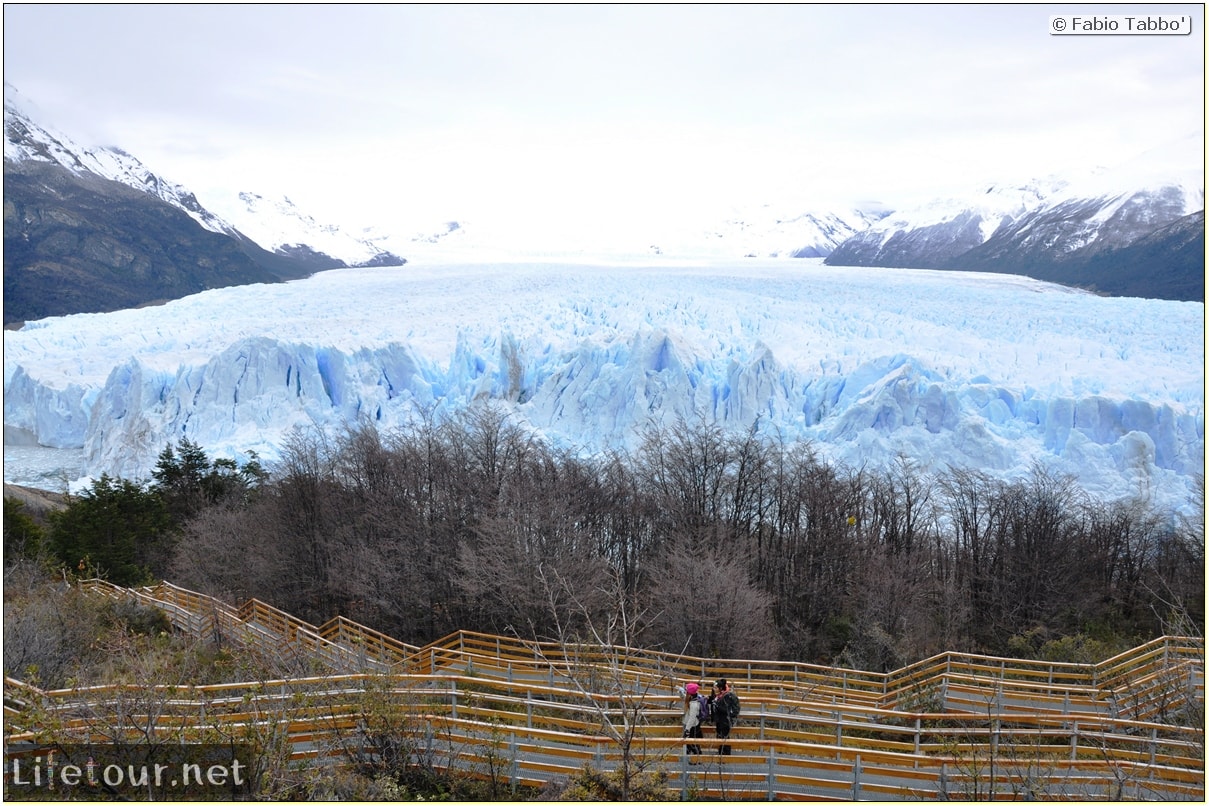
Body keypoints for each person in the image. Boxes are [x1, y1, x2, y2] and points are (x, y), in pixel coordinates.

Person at [711, 679, 735, 755]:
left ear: (720, 688)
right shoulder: (717, 696)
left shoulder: (727, 696)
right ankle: (721, 752)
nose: (713, 689)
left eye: (715, 688)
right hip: (719, 720)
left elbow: (726, 709)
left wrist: (717, 705)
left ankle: (726, 754)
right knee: (720, 736)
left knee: (725, 737)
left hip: (725, 720)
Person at [682, 682, 703, 759]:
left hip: (692, 726)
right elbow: (684, 697)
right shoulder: (693, 698)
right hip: (692, 725)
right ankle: (691, 759)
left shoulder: (694, 704)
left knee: (693, 744)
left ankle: (696, 760)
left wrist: (687, 729)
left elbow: (692, 718)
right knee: (691, 744)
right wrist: (680, 693)